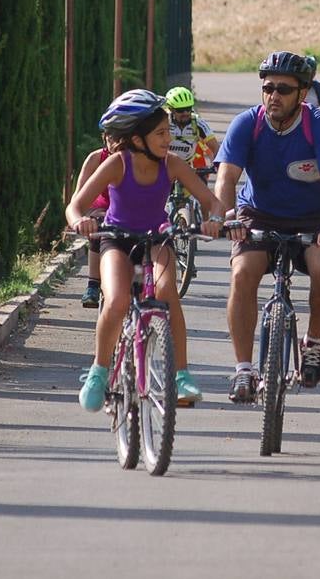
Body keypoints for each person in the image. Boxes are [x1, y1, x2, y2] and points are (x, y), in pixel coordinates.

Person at [66, 89, 229, 410]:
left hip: (157, 239)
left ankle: (181, 374)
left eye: (169, 131)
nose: (169, 139)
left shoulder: (172, 165)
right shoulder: (116, 164)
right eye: (161, 133)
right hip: (117, 238)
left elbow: (211, 202)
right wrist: (80, 221)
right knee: (116, 299)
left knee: (168, 292)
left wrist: (214, 219)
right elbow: (76, 204)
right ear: (137, 138)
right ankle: (99, 371)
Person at [215, 51, 320, 402]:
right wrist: (227, 217)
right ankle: (244, 370)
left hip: (313, 217)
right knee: (242, 273)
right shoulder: (247, 123)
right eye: (268, 87)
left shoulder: (317, 124)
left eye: (284, 89)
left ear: (302, 94)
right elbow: (227, 177)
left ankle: (313, 342)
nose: (273, 95)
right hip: (257, 215)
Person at [75, 131, 119, 309]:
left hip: (126, 210)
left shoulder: (136, 159)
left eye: (119, 137)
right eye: (110, 137)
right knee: (98, 229)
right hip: (101, 208)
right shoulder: (96, 158)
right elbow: (78, 195)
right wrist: (81, 218)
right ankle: (93, 284)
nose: (114, 142)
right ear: (104, 137)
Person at [164, 85, 219, 172]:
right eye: (180, 110)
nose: (185, 113)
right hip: (164, 164)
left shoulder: (198, 123)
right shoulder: (163, 122)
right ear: (171, 109)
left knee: (200, 182)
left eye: (188, 108)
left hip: (187, 165)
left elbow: (215, 147)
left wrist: (218, 164)